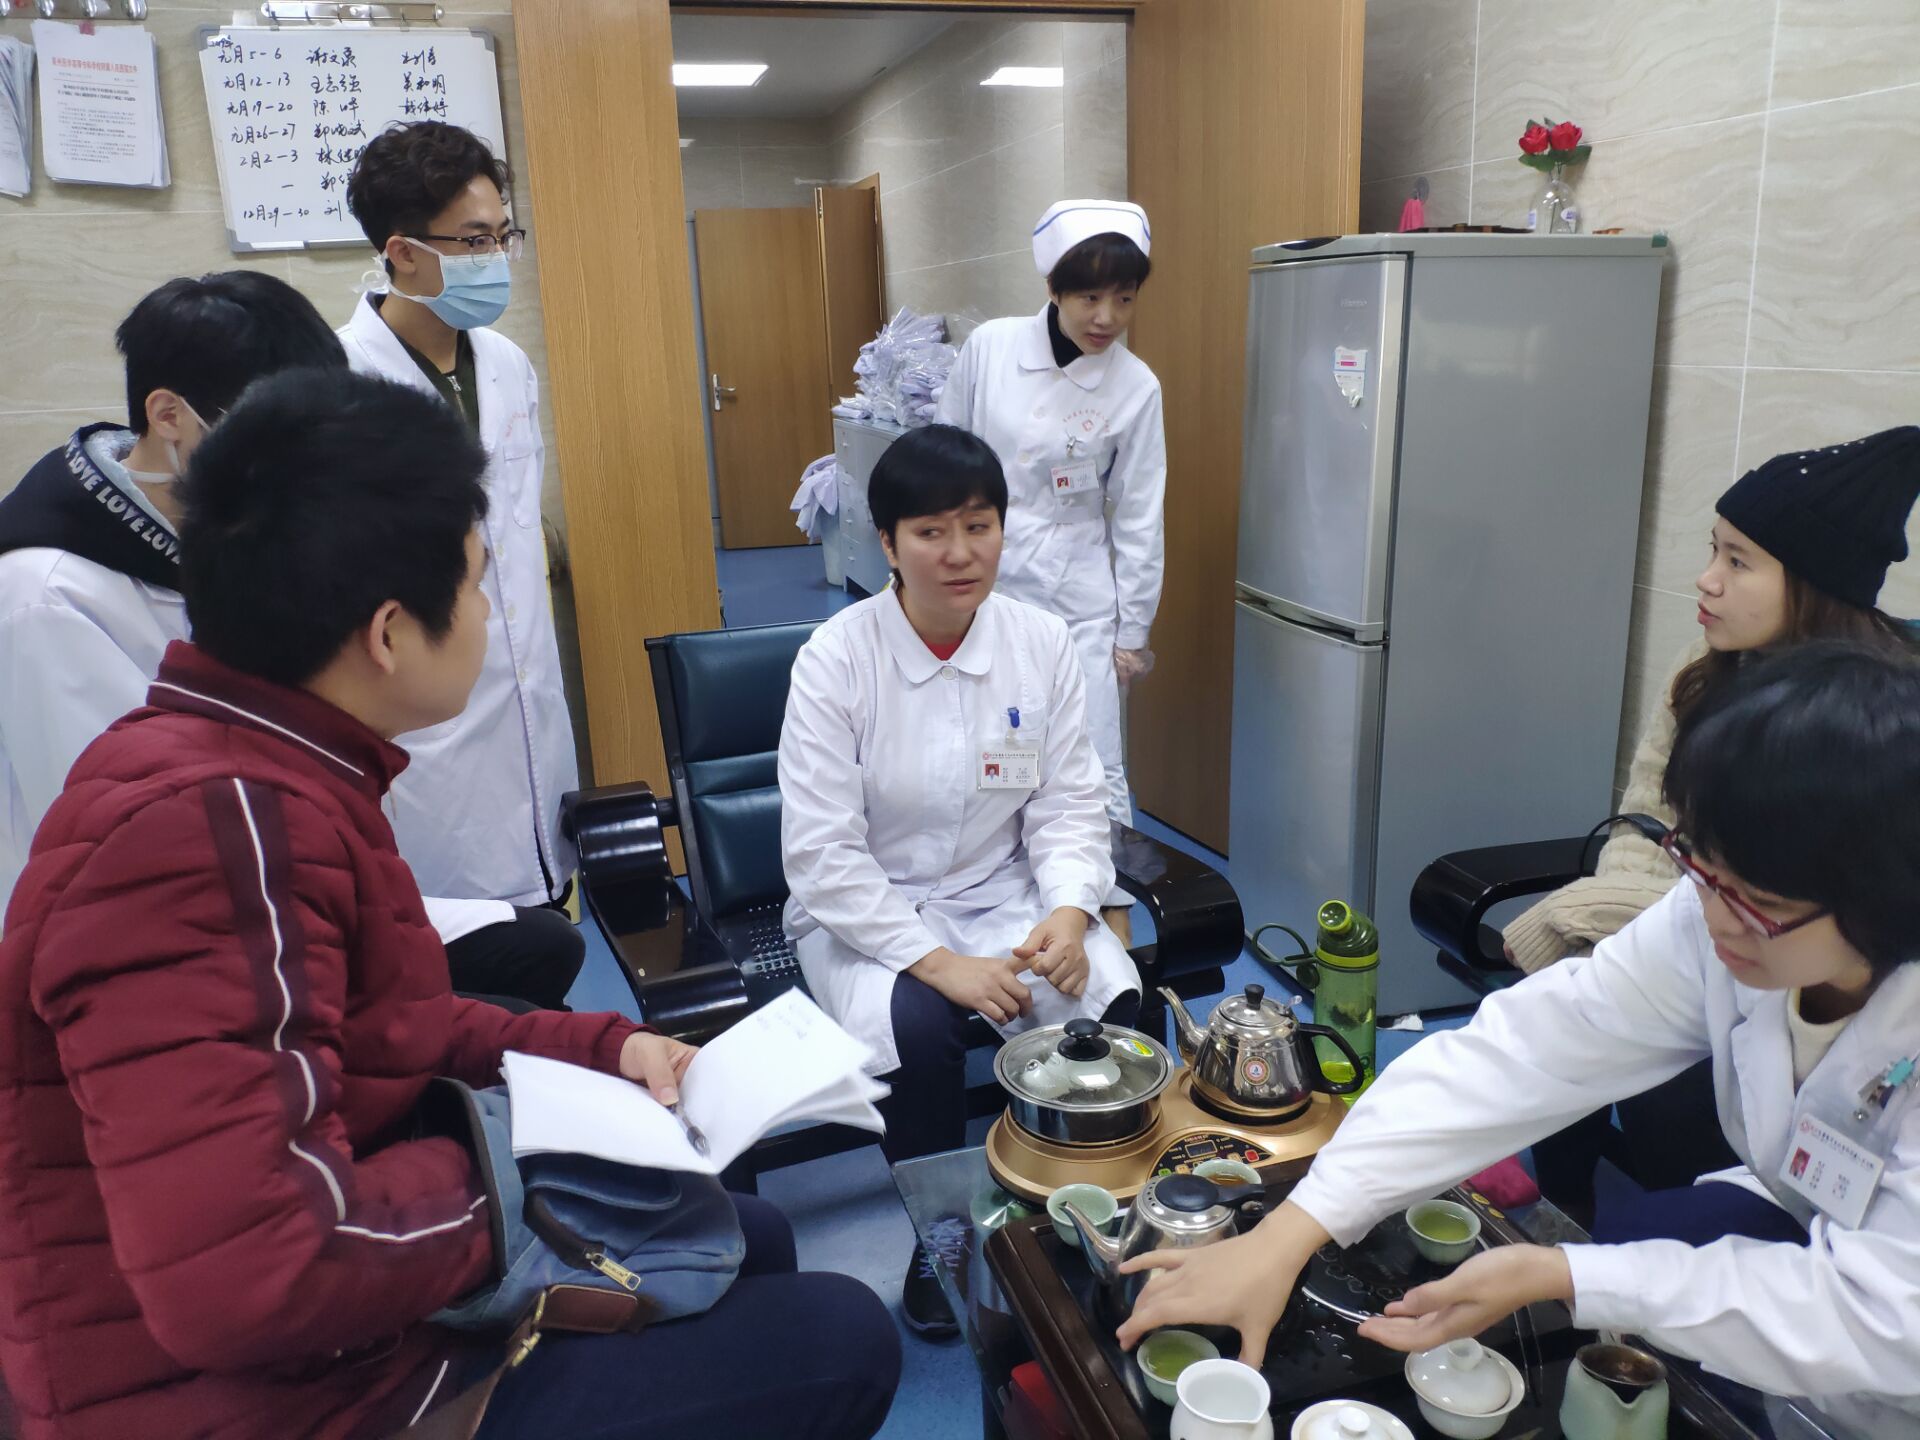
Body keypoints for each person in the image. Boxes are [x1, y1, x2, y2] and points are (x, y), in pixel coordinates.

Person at [0, 368, 899, 1440]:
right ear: (388, 633)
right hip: (271, 1400)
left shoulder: (270, 766)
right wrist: (527, 1169)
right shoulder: (209, 831)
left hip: (337, 1322)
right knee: (839, 1336)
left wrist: (607, 1049)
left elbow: (392, 1026)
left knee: (748, 1235)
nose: (485, 614)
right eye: (476, 585)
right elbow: (252, 1278)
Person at [1117, 641, 1920, 1438]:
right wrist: (1295, 1227)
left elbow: (1887, 1320)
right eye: (1700, 868)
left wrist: (1568, 1271)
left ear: (1880, 894)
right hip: (1815, 1235)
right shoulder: (1722, 913)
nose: (1713, 916)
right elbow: (1531, 1048)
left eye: (1756, 902)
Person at [0, 272, 580, 1011]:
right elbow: (143, 847)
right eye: (271, 435)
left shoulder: (235, 534)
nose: (299, 465)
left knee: (538, 949)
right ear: (168, 415)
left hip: (287, 864)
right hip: (175, 937)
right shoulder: (47, 597)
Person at [1500, 427, 1920, 1216]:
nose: (1706, 580)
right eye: (1712, 550)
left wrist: (1616, 916)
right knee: (1573, 1005)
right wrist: (1615, 920)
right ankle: (1564, 1208)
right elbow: (1643, 822)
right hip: (1689, 920)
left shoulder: (1878, 729)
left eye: (1738, 560)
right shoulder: (1703, 675)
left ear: (1814, 583)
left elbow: (1816, 903)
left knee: (1675, 1110)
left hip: (1803, 980)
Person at [779, 424, 1140, 1336]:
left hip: (1004, 891)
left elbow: (1068, 801)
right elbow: (822, 854)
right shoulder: (836, 659)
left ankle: (1071, 1204)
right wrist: (940, 964)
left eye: (978, 526)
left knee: (1105, 990)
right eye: (930, 532)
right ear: (887, 542)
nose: (959, 553)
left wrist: (1070, 909)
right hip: (869, 913)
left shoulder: (1040, 644)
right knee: (920, 1026)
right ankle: (938, 1233)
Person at [340, 121, 584, 1006]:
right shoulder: (340, 383)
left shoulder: (508, 364)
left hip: (527, 696)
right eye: (474, 242)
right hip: (427, 730)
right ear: (402, 253)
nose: (495, 260)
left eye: (502, 237)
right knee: (449, 973)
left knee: (548, 938)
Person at [935, 199, 1165, 943]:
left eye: (1124, 298)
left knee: (1093, 758)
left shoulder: (1136, 387)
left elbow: (1139, 513)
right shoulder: (992, 349)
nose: (1106, 317)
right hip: (978, 585)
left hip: (1078, 598)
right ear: (1053, 288)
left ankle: (1109, 918)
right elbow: (942, 455)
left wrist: (1132, 631)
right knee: (989, 744)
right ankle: (993, 901)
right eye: (1089, 296)